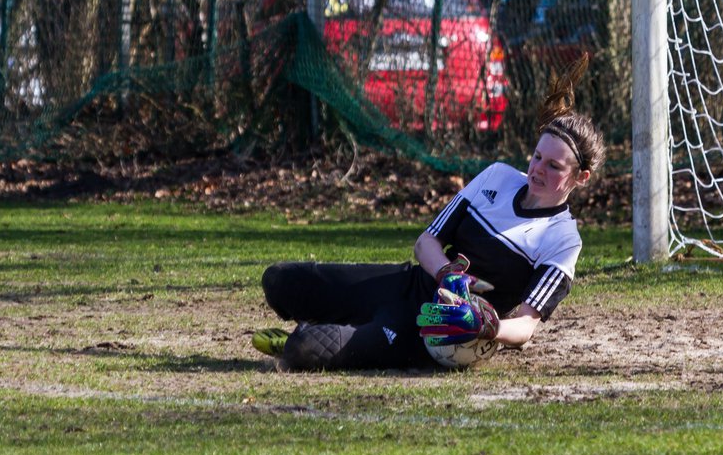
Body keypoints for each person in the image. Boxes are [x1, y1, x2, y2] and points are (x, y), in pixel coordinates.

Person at [253, 55, 604, 370]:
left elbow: (526, 327)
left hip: (432, 332)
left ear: (581, 177)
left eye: (554, 166)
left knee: (301, 350)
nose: (538, 169)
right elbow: (426, 243)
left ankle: (313, 335)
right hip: (407, 285)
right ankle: (325, 326)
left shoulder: (562, 240)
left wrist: (485, 325)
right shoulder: (497, 176)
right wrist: (447, 275)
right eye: (537, 157)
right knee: (280, 281)